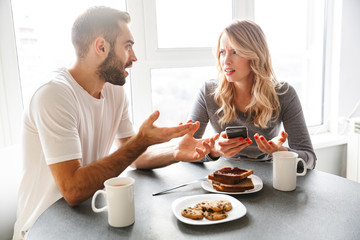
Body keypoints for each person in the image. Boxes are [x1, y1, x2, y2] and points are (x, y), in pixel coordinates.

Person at [13, 7, 215, 240]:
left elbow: (136, 157)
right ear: (101, 47)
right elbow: (72, 189)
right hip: (42, 229)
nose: (134, 57)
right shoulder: (53, 95)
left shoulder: (114, 92)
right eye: (128, 46)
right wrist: (141, 140)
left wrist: (175, 150)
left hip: (87, 216)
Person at [188, 19, 316, 168]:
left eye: (235, 52)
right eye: (222, 52)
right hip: (223, 176)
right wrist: (214, 151)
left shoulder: (284, 94)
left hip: (269, 178)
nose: (226, 61)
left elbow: (310, 159)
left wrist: (283, 153)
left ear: (255, 55)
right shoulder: (208, 92)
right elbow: (185, 150)